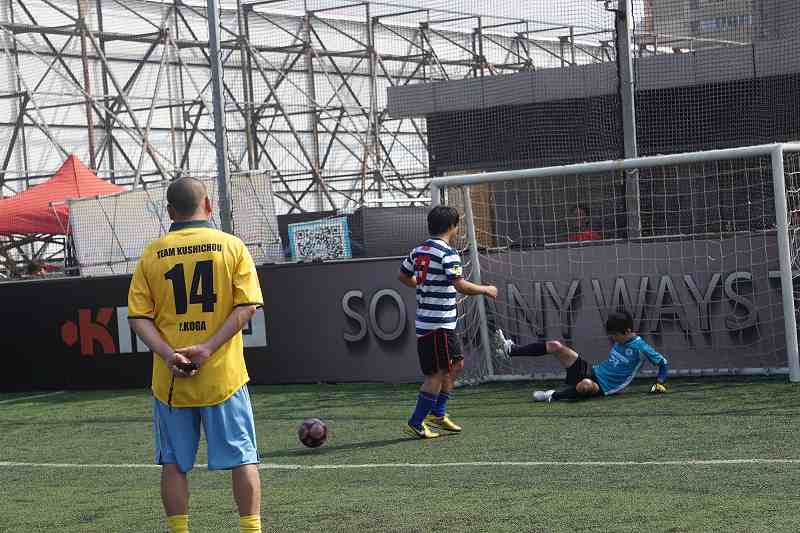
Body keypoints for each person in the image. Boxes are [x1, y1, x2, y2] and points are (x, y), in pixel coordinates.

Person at [127, 177, 264, 533]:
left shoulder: (152, 253)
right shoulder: (232, 246)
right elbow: (248, 306)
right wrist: (207, 348)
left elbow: (138, 317)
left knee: (173, 463)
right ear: (209, 206)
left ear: (170, 212)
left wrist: (168, 354)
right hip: (223, 377)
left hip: (172, 382)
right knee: (243, 458)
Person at [398, 205, 498, 438]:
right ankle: (416, 421)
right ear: (453, 227)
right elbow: (460, 285)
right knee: (436, 373)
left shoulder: (418, 250)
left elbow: (402, 275)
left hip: (436, 323)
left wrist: (424, 286)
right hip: (437, 325)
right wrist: (486, 289)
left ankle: (438, 414)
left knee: (456, 365)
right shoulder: (447, 253)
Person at [495, 310, 668, 402]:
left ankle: (552, 395)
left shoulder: (641, 347)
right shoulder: (621, 339)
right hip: (592, 370)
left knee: (585, 385)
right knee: (556, 346)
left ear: (628, 331)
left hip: (604, 387)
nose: (613, 339)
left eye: (615, 335)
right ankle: (511, 350)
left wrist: (659, 383)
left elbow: (663, 363)